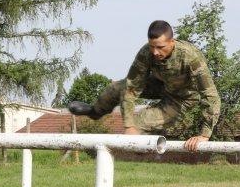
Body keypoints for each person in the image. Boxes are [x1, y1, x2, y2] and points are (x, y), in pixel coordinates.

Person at [68, 20, 220, 152]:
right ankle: (95, 111)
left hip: (181, 99)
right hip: (160, 85)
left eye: (160, 47)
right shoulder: (146, 52)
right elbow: (131, 86)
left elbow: (210, 95)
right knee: (116, 87)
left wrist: (204, 134)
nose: (155, 52)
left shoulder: (191, 57)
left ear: (172, 41)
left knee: (140, 123)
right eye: (152, 46)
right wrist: (128, 126)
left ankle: (147, 142)